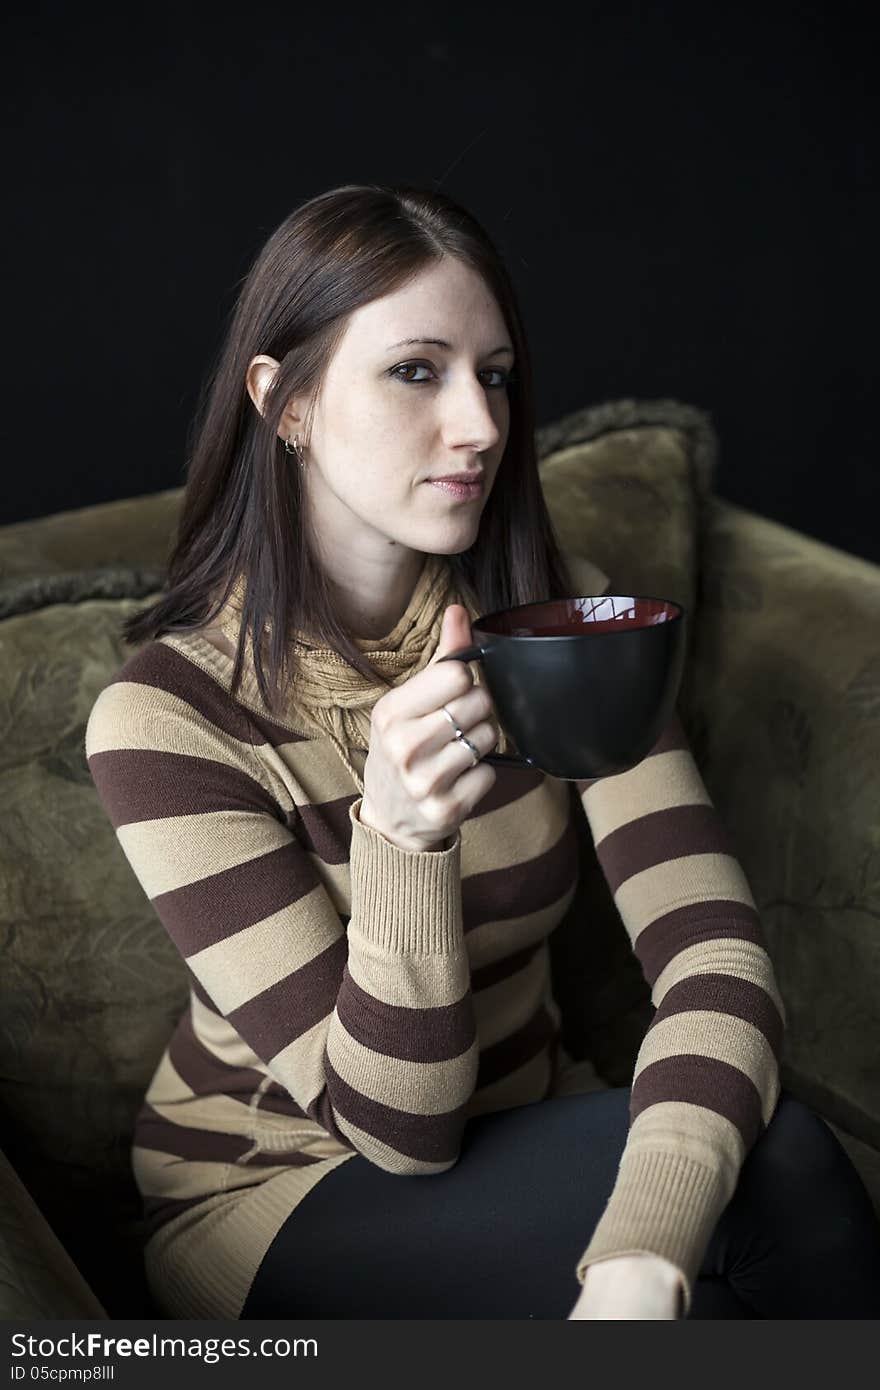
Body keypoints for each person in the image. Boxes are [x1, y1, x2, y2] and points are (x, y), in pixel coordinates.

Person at [85, 182, 880, 1322]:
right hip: (284, 1185)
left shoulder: (569, 634)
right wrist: (403, 838)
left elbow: (714, 956)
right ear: (286, 401)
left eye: (494, 374)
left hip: (532, 1122)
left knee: (766, 1186)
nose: (481, 426)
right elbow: (395, 1132)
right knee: (776, 1195)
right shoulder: (167, 720)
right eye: (417, 369)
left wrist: (640, 1250)